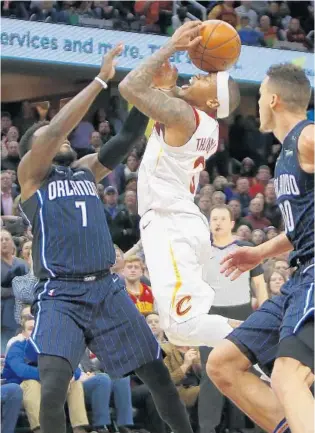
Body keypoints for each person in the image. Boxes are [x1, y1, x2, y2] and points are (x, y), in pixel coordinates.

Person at [17, 45, 194, 433]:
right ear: (35, 148)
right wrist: (100, 80)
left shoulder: (83, 171)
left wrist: (157, 91)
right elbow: (57, 130)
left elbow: (128, 135)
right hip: (61, 294)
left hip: (106, 290)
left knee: (158, 375)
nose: (64, 144)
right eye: (52, 141)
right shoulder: (30, 178)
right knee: (52, 386)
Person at [119, 21, 240, 348]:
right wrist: (165, 88)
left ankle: (266, 340)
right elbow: (167, 102)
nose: (197, 75)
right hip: (181, 223)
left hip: (170, 223)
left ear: (213, 103)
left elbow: (129, 88)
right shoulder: (206, 126)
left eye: (207, 80)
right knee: (182, 327)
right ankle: (261, 340)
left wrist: (171, 46)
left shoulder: (184, 116)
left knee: (183, 327)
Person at [207, 64, 314, 433]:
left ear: (273, 99)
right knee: (223, 364)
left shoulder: (306, 137)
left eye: (259, 98)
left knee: (287, 377)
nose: (255, 109)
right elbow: (301, 229)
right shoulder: (287, 152)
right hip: (300, 276)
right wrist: (258, 253)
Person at [198, 205, 268, 433]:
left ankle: (248, 427)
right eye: (214, 219)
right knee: (210, 372)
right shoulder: (202, 251)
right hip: (210, 314)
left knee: (245, 370)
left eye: (222, 219)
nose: (217, 222)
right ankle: (208, 428)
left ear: (232, 223)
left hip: (243, 313)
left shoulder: (245, 247)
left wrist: (264, 313)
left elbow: (259, 284)